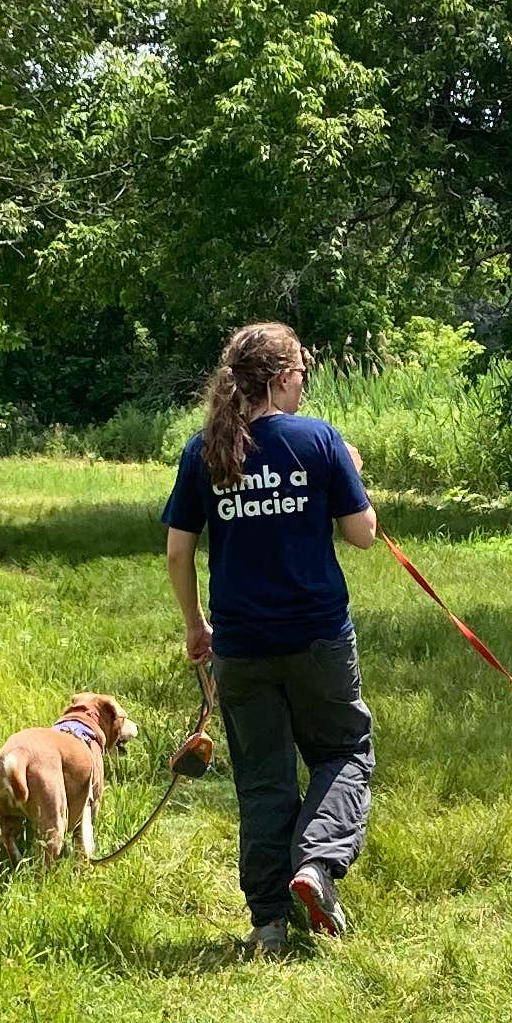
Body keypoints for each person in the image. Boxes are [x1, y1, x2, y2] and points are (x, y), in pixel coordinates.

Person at [165, 321, 378, 948]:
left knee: (263, 779)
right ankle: (317, 864)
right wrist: (350, 474)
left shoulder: (204, 450)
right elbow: (363, 534)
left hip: (241, 645)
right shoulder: (319, 440)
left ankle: (268, 924)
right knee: (344, 751)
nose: (303, 385)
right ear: (282, 377)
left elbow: (178, 552)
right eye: (302, 374)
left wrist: (195, 624)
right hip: (319, 638)